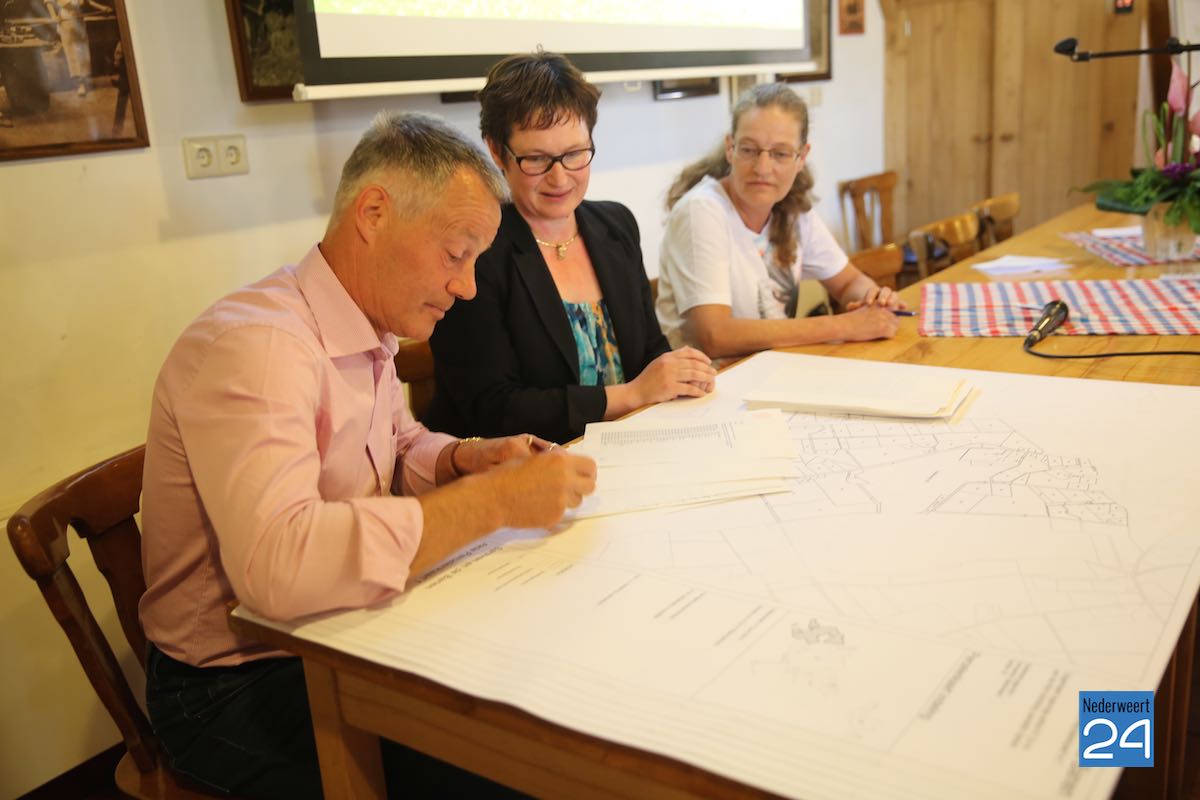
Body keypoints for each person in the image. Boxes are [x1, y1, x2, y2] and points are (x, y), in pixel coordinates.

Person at [138, 111, 597, 799]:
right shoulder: (260, 348)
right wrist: (495, 501)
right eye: (456, 254)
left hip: (335, 630)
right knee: (503, 764)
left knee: (544, 681)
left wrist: (464, 460)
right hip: (234, 682)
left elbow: (396, 444)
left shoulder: (363, 320)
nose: (468, 286)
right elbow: (278, 565)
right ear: (374, 213)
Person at [424, 51, 716, 444]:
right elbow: (494, 409)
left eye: (575, 154)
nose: (560, 178)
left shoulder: (616, 225)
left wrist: (681, 373)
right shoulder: (474, 252)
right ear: (496, 151)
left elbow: (648, 350)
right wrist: (631, 395)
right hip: (524, 465)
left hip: (629, 448)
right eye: (537, 159)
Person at [656, 82, 906, 359]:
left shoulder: (793, 210)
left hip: (771, 371)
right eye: (749, 150)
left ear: (801, 157)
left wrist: (873, 299)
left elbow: (848, 283)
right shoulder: (701, 211)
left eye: (780, 154)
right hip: (711, 380)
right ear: (730, 148)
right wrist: (845, 325)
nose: (763, 168)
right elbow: (714, 336)